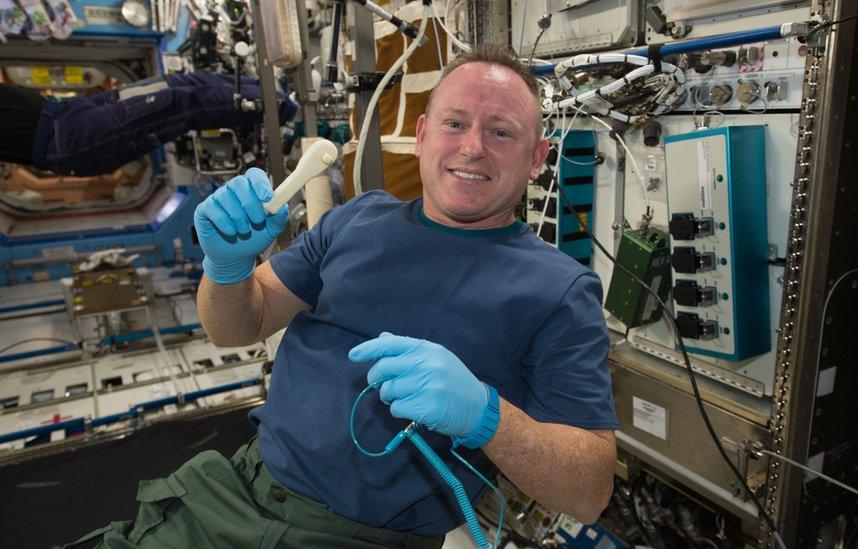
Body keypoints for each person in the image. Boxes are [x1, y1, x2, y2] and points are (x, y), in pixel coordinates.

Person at [66, 44, 617, 548]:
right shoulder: (358, 218)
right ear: (423, 134)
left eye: (501, 132)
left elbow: (588, 490)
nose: (472, 148)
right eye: (455, 123)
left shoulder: (559, 290)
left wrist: (487, 418)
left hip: (356, 537)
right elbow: (235, 327)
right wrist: (228, 268)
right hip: (230, 490)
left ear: (538, 156)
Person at [0, 73, 295, 177]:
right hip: (67, 138)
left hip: (64, 114)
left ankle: (268, 90)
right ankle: (278, 107)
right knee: (179, 103)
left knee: (176, 83)